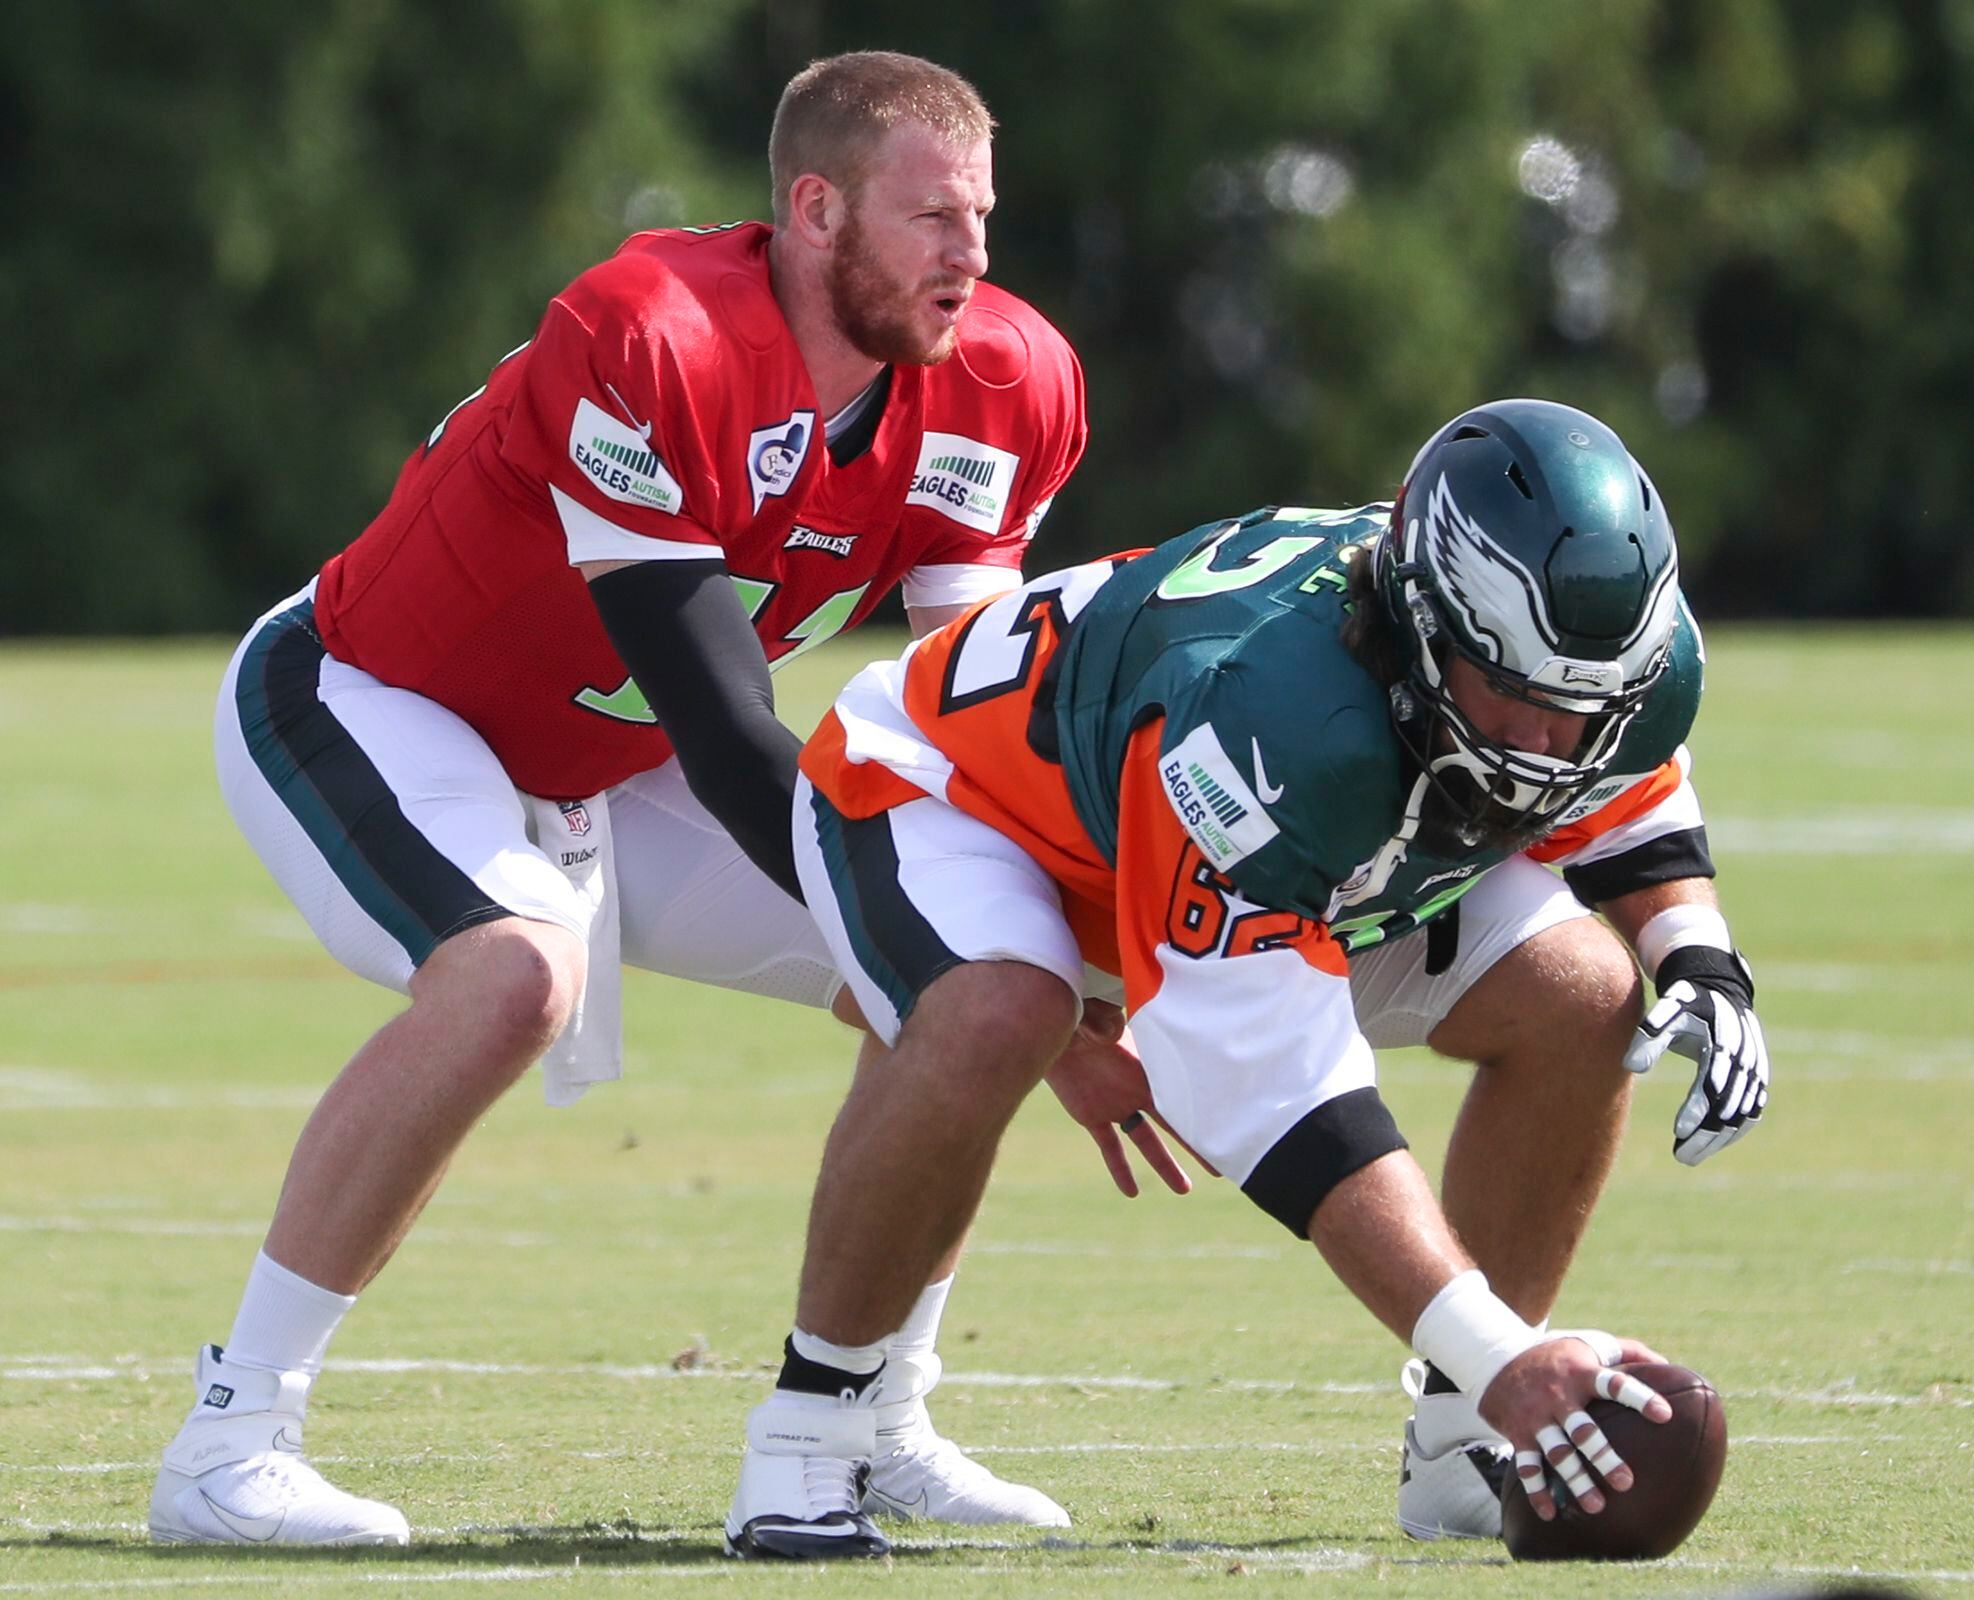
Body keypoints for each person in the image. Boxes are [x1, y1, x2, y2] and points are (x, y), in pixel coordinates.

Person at [152, 51, 1105, 1548]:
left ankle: (873, 1419)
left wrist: (1067, 948)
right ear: (814, 211)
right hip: (380, 698)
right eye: (932, 218)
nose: (971, 255)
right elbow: (729, 732)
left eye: (982, 215)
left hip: (613, 754)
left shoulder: (1004, 381)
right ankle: (229, 1438)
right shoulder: (647, 332)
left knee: (982, 978)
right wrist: (925, 921)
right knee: (511, 975)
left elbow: (979, 721)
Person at [723, 397, 1773, 1558]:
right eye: (1513, 698)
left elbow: (1623, 791)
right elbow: (1283, 1101)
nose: (1544, 744)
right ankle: (811, 1434)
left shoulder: (1599, 667)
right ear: (1425, 628)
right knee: (1002, 1009)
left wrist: (1698, 954)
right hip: (954, 795)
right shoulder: (1270, 712)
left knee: (1588, 995)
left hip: (1242, 832)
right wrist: (1501, 1351)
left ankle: (1463, 1446)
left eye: (1579, 707)